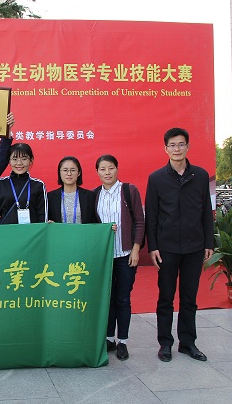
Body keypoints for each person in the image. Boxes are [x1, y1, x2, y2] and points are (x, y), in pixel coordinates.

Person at [145, 128, 214, 363]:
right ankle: (165, 343)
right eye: (172, 145)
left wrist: (208, 242)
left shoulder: (200, 176)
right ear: (165, 149)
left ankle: (187, 342)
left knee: (189, 298)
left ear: (188, 147)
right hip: (167, 248)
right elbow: (152, 215)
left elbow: (206, 212)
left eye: (181, 144)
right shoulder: (156, 178)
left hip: (195, 247)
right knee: (165, 297)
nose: (177, 149)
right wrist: (153, 246)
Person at [93, 155, 145, 361]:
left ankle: (122, 341)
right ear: (97, 172)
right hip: (104, 257)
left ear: (117, 169)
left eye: (111, 168)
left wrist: (135, 249)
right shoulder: (95, 194)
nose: (107, 172)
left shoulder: (129, 191)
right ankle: (109, 339)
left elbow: (140, 221)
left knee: (123, 299)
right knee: (108, 299)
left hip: (125, 255)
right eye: (103, 169)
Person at [0, 143, 47, 224]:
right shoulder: (0, 184)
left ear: (31, 160)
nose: (19, 163)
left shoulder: (38, 185)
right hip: (5, 231)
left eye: (24, 159)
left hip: (32, 232)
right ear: (9, 161)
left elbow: (43, 217)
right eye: (14, 159)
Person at [47, 156, 99, 224]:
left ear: (79, 173)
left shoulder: (90, 196)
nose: (69, 174)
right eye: (65, 170)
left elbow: (95, 222)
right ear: (59, 173)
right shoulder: (50, 197)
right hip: (59, 231)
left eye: (73, 170)